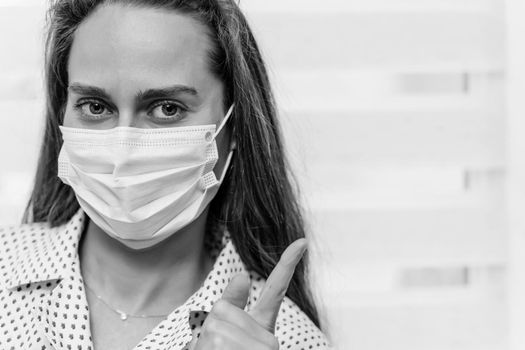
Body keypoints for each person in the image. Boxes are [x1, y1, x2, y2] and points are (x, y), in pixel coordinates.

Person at [0, 0, 330, 349]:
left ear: (233, 127)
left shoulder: (289, 340)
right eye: (96, 107)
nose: (123, 149)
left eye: (167, 109)